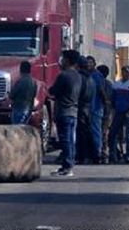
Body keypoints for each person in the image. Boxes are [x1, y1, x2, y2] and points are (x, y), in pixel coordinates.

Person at [49, 49, 82, 177]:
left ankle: (67, 167)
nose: (61, 61)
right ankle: (69, 164)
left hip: (64, 111)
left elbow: (53, 90)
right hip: (74, 111)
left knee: (65, 140)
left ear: (67, 60)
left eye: (63, 59)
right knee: (71, 140)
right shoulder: (78, 76)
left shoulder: (63, 76)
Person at [109, 65, 129, 164]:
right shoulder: (116, 84)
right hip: (118, 112)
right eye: (124, 71)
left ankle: (128, 155)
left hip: (128, 113)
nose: (125, 73)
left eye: (127, 72)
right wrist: (112, 111)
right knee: (113, 134)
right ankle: (113, 154)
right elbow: (113, 99)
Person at [86, 56, 108, 164]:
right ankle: (90, 153)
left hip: (96, 108)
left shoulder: (97, 76)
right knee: (88, 132)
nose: (88, 64)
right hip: (87, 109)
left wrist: (105, 103)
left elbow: (101, 91)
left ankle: (98, 153)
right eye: (87, 62)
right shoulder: (86, 75)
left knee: (96, 131)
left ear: (94, 64)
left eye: (90, 62)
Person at [75, 55, 96, 164]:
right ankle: (93, 155)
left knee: (81, 133)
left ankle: (82, 156)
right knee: (87, 132)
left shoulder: (79, 78)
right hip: (87, 108)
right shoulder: (90, 78)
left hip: (80, 107)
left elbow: (77, 93)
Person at [97, 64, 114, 163]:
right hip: (107, 112)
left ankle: (103, 153)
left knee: (102, 133)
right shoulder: (109, 84)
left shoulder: (103, 84)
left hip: (103, 111)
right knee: (104, 132)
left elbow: (107, 98)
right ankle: (104, 152)